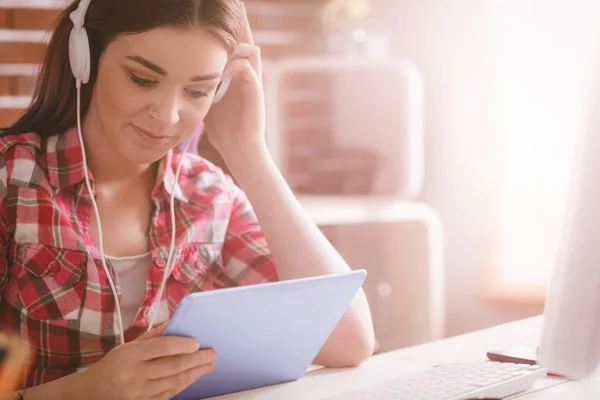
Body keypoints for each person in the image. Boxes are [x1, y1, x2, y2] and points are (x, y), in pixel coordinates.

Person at [0, 0, 375, 399]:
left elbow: (347, 340)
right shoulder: (12, 180)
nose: (168, 116)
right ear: (84, 59)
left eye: (198, 91)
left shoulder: (208, 194)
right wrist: (92, 388)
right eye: (142, 79)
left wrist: (248, 151)